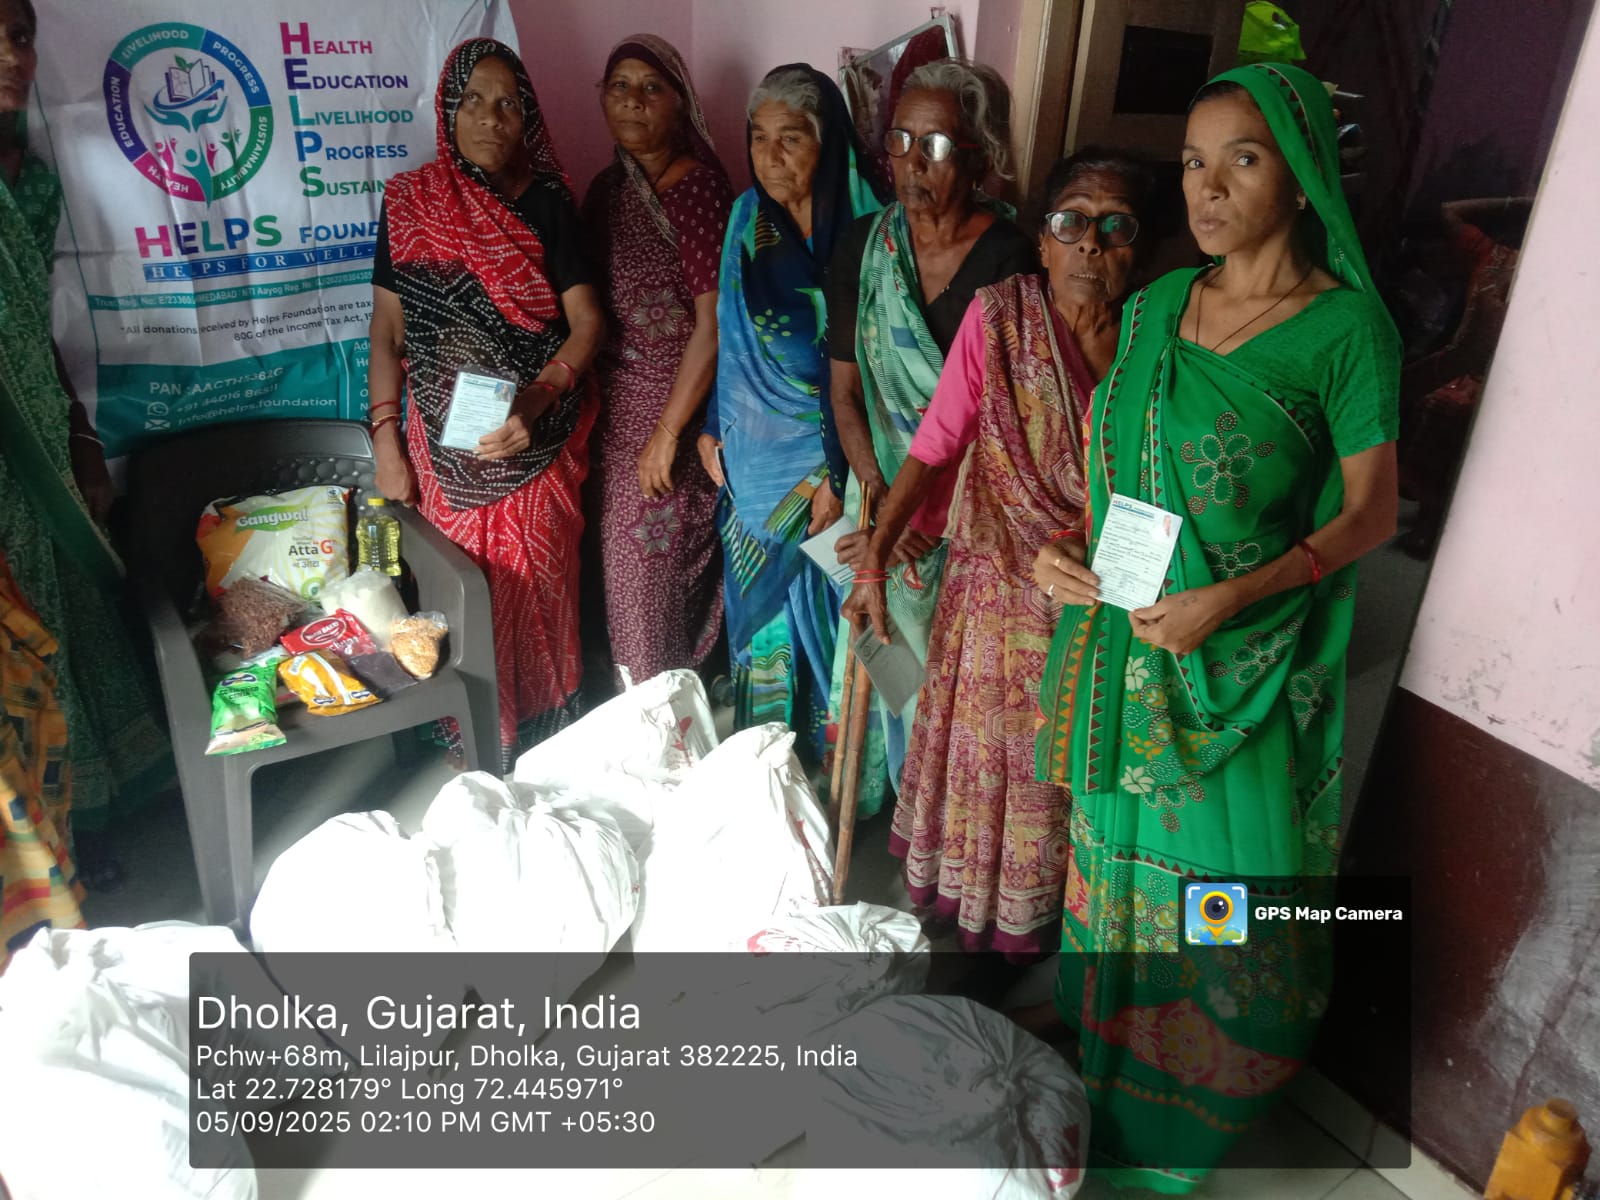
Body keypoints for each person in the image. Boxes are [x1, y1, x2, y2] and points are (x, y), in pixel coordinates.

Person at [1029, 64, 1402, 1190]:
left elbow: (1370, 513)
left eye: (1242, 158)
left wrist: (1232, 598)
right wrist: (1066, 555)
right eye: (1194, 162)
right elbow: (1120, 483)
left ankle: (1187, 1124)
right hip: (1127, 651)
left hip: (1240, 669)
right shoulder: (1153, 305)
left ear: (1301, 174)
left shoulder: (1345, 331)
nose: (1208, 187)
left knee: (1222, 907)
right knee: (1115, 883)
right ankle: (1101, 1085)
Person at [841, 150, 1156, 960]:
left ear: (1139, 248)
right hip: (994, 598)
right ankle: (975, 915)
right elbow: (934, 444)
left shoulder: (1157, 340)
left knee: (1070, 771)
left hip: (1100, 596)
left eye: (1115, 226)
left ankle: (1045, 923)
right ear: (1042, 242)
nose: (1091, 244)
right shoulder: (1001, 319)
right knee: (991, 760)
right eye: (1070, 222)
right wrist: (874, 559)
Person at [369, 38, 603, 769]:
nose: (490, 118)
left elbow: (588, 322)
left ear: (526, 118)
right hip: (442, 449)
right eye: (473, 100)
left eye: (507, 104)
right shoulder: (410, 202)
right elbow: (386, 330)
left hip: (535, 439)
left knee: (540, 588)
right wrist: (385, 440)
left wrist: (537, 398)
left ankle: (544, 743)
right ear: (449, 110)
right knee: (461, 593)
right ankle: (474, 740)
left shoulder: (549, 203)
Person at [827, 58, 1039, 817]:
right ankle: (892, 802)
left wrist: (928, 521)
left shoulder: (1011, 260)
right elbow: (846, 391)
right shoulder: (864, 246)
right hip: (881, 492)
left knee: (956, 687)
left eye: (938, 145)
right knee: (888, 656)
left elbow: (1008, 423)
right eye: (901, 141)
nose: (913, 162)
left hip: (968, 516)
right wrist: (885, 511)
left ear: (979, 159)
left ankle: (940, 829)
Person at [0, 0, 170, 899]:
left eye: (23, 36)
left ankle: (86, 814)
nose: (12, 53)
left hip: (40, 434)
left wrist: (79, 434)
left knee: (67, 627)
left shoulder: (30, 182)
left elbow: (31, 326)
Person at [698, 64, 887, 759]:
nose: (770, 155)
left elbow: (879, 369)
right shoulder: (746, 221)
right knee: (762, 619)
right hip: (753, 460)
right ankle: (767, 757)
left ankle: (839, 767)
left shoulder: (872, 227)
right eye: (758, 137)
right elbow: (729, 329)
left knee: (835, 612)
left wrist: (839, 477)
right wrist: (711, 426)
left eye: (791, 138)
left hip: (843, 460)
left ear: (826, 141)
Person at [582, 35, 734, 686]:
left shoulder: (698, 191)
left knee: (649, 586)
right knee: (617, 585)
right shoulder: (607, 190)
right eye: (619, 86)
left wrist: (668, 434)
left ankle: (664, 717)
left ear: (681, 103)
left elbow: (715, 323)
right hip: (611, 415)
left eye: (651, 88)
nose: (633, 101)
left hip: (673, 415)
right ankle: (635, 710)